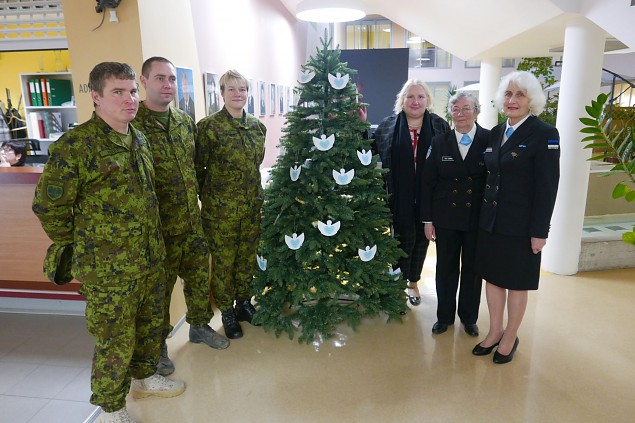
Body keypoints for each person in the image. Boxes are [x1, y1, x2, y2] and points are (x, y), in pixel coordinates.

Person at [32, 62, 185, 423]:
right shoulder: (77, 145)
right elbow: (49, 207)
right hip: (108, 269)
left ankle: (145, 379)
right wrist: (85, 245)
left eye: (132, 91)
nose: (129, 99)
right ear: (97, 97)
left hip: (148, 259)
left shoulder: (138, 137)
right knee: (114, 341)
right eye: (118, 92)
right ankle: (112, 408)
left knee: (150, 327)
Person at [134, 57, 230, 376]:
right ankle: (158, 348)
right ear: (144, 81)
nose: (168, 85)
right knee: (158, 294)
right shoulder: (133, 126)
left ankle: (199, 327)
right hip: (158, 231)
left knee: (199, 281)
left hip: (191, 223)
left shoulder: (185, 121)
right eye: (160, 78)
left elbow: (195, 168)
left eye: (173, 79)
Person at [472, 71, 560, 364]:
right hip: (491, 222)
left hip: (521, 226)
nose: (512, 100)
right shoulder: (496, 132)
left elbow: (548, 187)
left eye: (520, 95)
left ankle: (510, 335)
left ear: (531, 100)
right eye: (508, 94)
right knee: (493, 279)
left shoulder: (544, 133)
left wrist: (539, 231)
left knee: (517, 282)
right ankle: (494, 331)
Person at [195, 69, 266, 339]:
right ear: (221, 93)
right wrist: (212, 196)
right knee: (224, 263)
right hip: (221, 211)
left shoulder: (258, 127)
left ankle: (243, 304)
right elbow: (198, 167)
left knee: (246, 259)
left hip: (250, 208)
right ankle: (226, 312)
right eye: (232, 89)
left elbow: (255, 165)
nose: (238, 94)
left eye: (243, 89)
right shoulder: (209, 127)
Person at [373, 79, 450, 308]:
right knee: (400, 241)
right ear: (402, 100)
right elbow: (367, 148)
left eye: (420, 97)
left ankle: (413, 282)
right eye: (410, 97)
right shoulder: (387, 126)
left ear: (428, 100)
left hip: (430, 199)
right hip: (398, 198)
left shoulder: (439, 126)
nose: (415, 101)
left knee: (421, 242)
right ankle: (396, 284)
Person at [421, 92, 489, 336]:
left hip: (476, 218)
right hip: (446, 218)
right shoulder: (440, 142)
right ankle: (444, 317)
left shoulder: (489, 139)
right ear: (451, 113)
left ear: (476, 111)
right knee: (446, 268)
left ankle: (469, 317)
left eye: (466, 108)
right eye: (456, 109)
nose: (461, 114)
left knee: (473, 270)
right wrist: (428, 219)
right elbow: (427, 182)